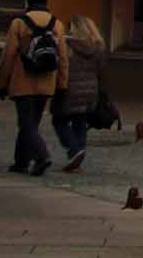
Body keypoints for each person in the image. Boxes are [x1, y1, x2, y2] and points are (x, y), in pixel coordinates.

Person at [0, 0, 69, 176]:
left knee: (26, 123)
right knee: (31, 123)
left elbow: (8, 56)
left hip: (23, 82)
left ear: (29, 2)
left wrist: (2, 83)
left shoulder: (19, 23)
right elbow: (63, 58)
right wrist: (62, 85)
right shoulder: (57, 24)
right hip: (47, 82)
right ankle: (21, 161)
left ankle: (42, 156)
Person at [53, 16, 107, 173]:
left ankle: (74, 149)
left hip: (70, 89)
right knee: (80, 122)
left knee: (59, 120)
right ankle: (79, 153)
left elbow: (60, 65)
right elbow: (101, 71)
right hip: (90, 90)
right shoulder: (98, 46)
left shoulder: (66, 44)